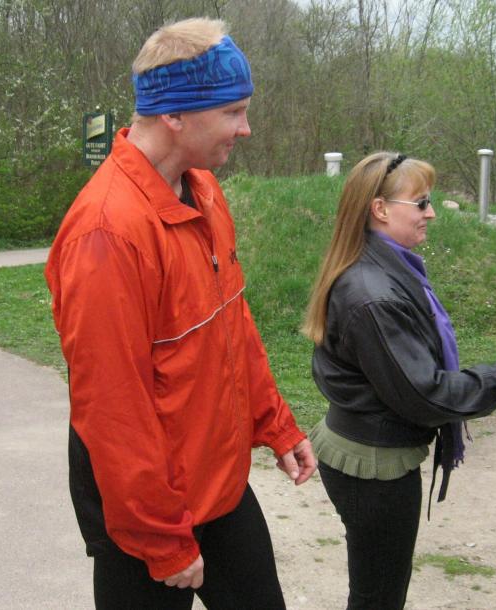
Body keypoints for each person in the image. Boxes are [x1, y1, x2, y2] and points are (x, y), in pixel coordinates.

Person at [45, 18, 315, 609]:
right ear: (174, 114)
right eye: (233, 111)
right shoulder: (107, 232)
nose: (245, 129)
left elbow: (232, 325)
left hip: (219, 488)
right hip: (144, 518)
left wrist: (275, 424)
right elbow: (112, 407)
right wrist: (161, 538)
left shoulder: (204, 192)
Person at [302, 151, 496, 610]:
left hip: (369, 452)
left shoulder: (384, 270)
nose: (431, 213)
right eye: (421, 203)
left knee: (378, 591)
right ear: (380, 209)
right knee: (378, 598)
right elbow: (426, 394)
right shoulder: (374, 293)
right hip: (372, 468)